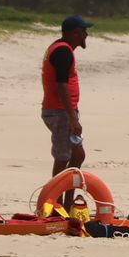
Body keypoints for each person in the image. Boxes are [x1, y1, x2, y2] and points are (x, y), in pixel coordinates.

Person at [40, 15, 91, 176]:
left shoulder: (61, 48)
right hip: (60, 112)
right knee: (63, 157)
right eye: (84, 31)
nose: (86, 35)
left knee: (78, 155)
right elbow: (62, 86)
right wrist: (73, 119)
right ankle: (54, 192)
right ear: (75, 33)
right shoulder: (63, 52)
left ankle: (68, 192)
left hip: (63, 111)